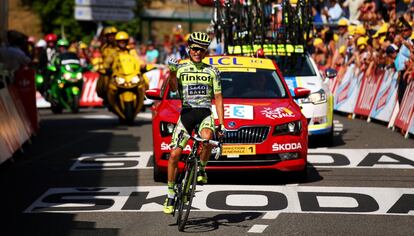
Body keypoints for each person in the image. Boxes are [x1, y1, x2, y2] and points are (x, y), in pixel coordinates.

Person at [163, 32, 225, 214]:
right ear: (189, 49)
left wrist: (221, 123)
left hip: (205, 113)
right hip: (187, 114)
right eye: (195, 49)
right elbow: (173, 89)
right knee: (174, 154)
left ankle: (202, 169)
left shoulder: (212, 71)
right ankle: (170, 194)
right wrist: (172, 73)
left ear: (206, 52)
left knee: (207, 139)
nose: (198, 52)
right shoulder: (181, 68)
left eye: (202, 50)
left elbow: (219, 98)